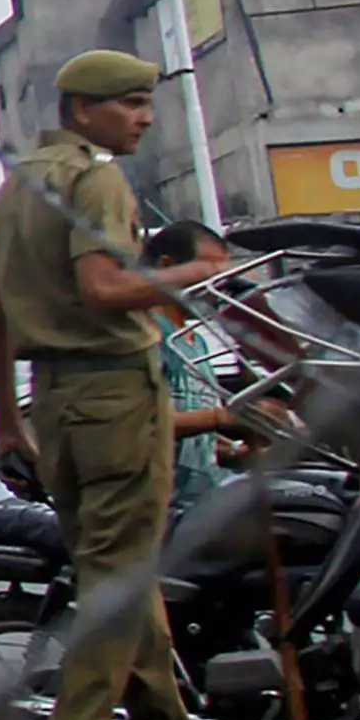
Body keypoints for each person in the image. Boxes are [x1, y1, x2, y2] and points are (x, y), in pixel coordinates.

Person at [0, 52, 250, 720]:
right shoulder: (95, 179)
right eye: (132, 104)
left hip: (58, 401)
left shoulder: (18, 185)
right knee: (118, 589)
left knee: (129, 583)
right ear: (85, 109)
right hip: (114, 387)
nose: (144, 117)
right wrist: (195, 271)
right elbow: (103, 288)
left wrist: (9, 418)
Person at [142, 222, 258, 539]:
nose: (218, 285)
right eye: (209, 272)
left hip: (203, 508)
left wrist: (234, 450)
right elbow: (140, 424)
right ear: (167, 267)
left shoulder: (197, 342)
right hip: (161, 519)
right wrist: (221, 417)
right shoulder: (144, 336)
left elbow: (197, 440)